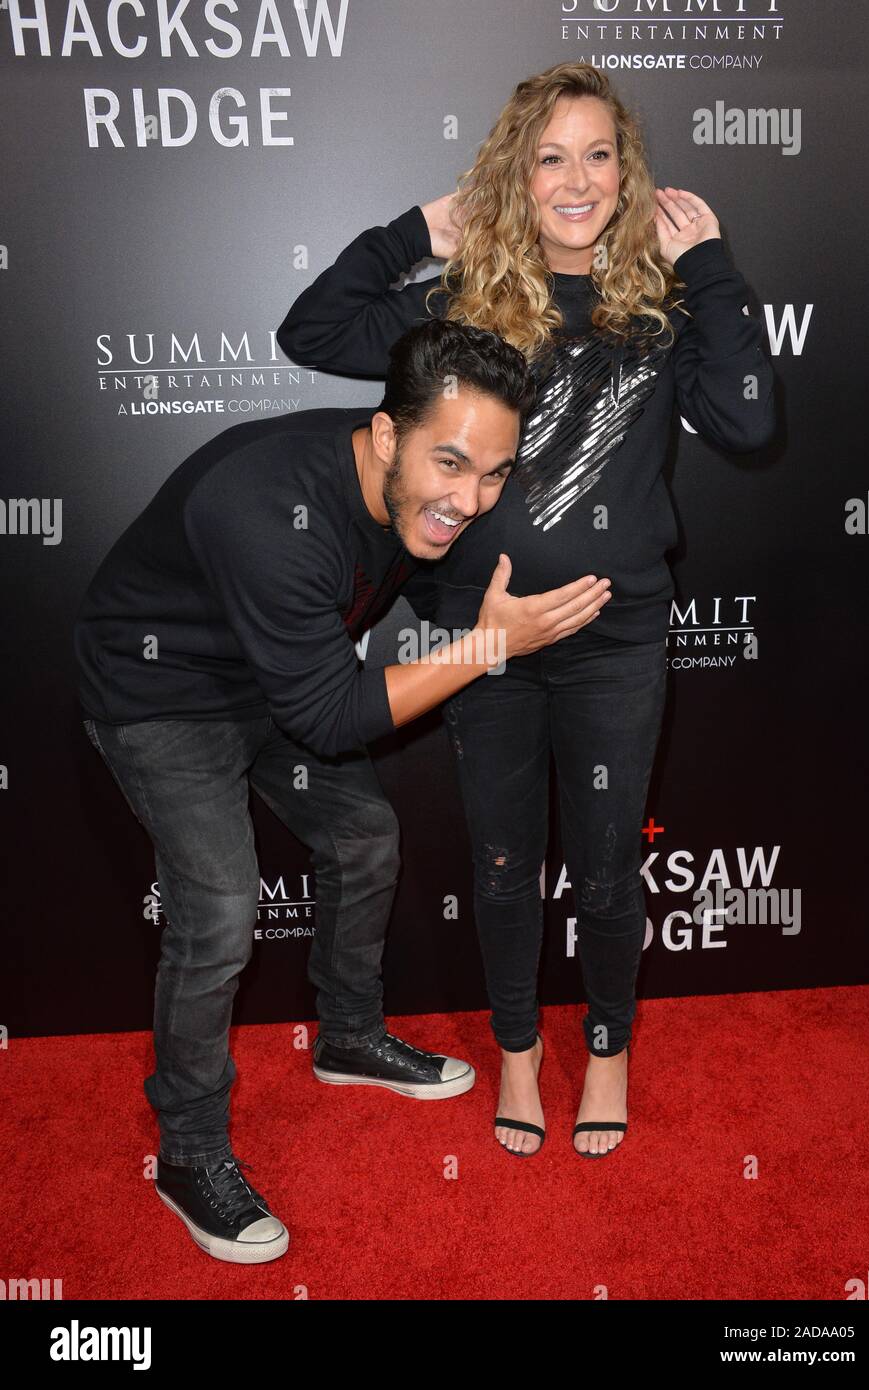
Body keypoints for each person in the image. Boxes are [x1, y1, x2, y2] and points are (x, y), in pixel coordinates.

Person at [276, 61, 776, 1160]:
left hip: (614, 639)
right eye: (549, 155)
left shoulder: (663, 298)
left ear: (625, 169)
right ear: (517, 171)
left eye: (596, 152)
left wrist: (712, 266)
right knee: (503, 865)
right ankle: (515, 1051)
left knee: (602, 866)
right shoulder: (466, 303)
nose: (576, 178)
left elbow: (746, 419)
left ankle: (604, 1050)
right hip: (486, 641)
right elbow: (309, 331)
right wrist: (415, 227)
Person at [73, 317, 612, 1263]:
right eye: (450, 465)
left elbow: (423, 596)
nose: (469, 499)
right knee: (219, 909)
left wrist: (503, 629)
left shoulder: (418, 495)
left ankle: (348, 1036)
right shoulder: (265, 506)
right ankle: (190, 1154)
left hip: (271, 680)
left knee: (365, 837)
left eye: (491, 474)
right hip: (159, 693)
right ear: (386, 434)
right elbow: (328, 715)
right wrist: (488, 648)